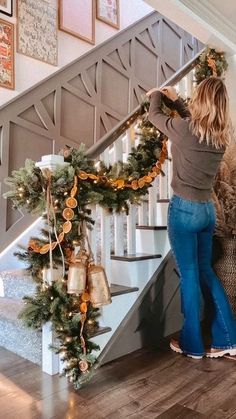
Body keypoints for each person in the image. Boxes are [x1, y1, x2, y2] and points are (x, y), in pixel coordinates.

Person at [146, 77, 236, 359]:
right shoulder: (219, 138)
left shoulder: (186, 130)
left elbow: (154, 115)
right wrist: (178, 101)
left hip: (184, 210)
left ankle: (192, 345)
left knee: (189, 277)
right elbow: (195, 124)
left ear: (201, 100)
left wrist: (156, 95)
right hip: (207, 211)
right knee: (205, 273)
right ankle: (228, 339)